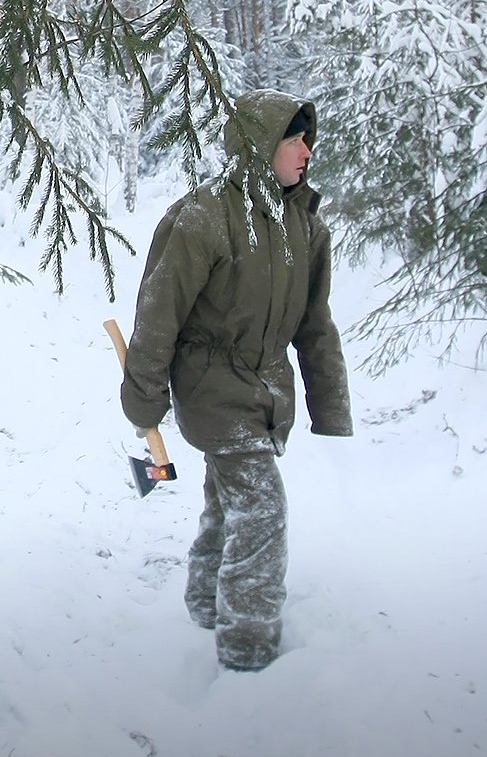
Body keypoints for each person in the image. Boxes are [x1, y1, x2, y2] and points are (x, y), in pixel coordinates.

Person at [119, 90, 353, 672]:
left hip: (266, 388)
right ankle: (247, 648)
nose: (305, 151)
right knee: (262, 509)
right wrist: (144, 395)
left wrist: (330, 406)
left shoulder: (307, 225)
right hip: (210, 385)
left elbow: (315, 323)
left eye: (307, 139)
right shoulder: (203, 216)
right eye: (292, 139)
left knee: (231, 502)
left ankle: (205, 602)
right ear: (259, 145)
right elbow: (159, 311)